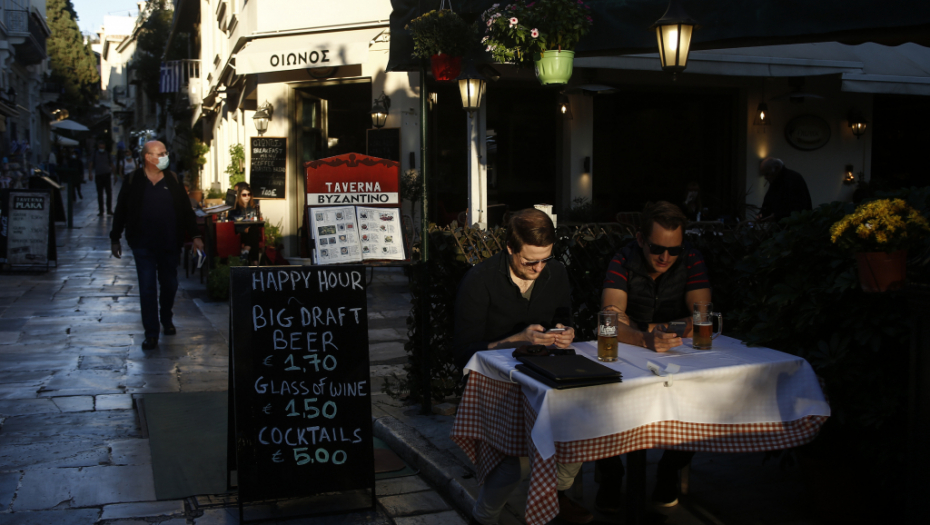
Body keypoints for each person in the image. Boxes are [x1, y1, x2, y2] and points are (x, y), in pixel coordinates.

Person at [453, 208, 593, 525]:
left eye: (545, 259)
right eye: (530, 261)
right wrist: (516, 340)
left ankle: (555, 497)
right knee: (514, 464)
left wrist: (564, 331)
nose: (539, 268)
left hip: (540, 376)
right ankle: (484, 517)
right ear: (510, 248)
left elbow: (563, 316)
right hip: (493, 384)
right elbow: (463, 353)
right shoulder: (480, 280)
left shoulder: (555, 272)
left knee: (579, 432)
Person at [595, 201, 712, 512]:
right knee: (598, 399)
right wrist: (645, 337)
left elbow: (701, 317)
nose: (665, 257)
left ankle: (668, 471)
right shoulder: (623, 258)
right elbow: (609, 319)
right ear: (640, 239)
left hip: (676, 353)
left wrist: (642, 327)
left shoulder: (691, 258)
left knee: (703, 401)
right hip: (629, 351)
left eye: (674, 250)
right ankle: (611, 476)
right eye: (657, 248)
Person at [110, 140, 204, 351]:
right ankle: (151, 333)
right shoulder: (133, 180)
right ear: (148, 157)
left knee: (170, 284)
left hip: (169, 243)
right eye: (160, 154)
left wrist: (196, 235)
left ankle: (166, 317)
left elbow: (186, 210)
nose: (165, 157)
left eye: (165, 153)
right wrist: (115, 238)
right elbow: (121, 210)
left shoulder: (173, 179)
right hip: (142, 244)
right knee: (147, 288)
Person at [757, 157, 812, 222]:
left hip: (795, 225)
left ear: (777, 168)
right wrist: (762, 215)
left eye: (767, 174)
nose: (765, 178)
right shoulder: (776, 180)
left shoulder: (793, 179)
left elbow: (799, 207)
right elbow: (768, 203)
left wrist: (777, 216)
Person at [230, 184, 262, 264]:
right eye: (244, 195)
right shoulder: (234, 207)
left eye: (249, 194)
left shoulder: (254, 206)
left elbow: (258, 219)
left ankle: (246, 252)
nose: (247, 197)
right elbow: (232, 224)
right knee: (254, 233)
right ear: (239, 196)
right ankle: (255, 262)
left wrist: (259, 217)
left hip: (251, 231)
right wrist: (244, 229)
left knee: (253, 230)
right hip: (239, 233)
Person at [88, 140, 114, 216]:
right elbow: (91, 163)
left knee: (109, 193)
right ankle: (101, 210)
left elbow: (111, 164)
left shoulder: (107, 154)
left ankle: (109, 210)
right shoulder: (95, 154)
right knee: (100, 194)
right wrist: (90, 173)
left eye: (102, 147)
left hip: (107, 175)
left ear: (104, 147)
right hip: (99, 175)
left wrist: (115, 175)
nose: (101, 148)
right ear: (98, 147)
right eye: (100, 147)